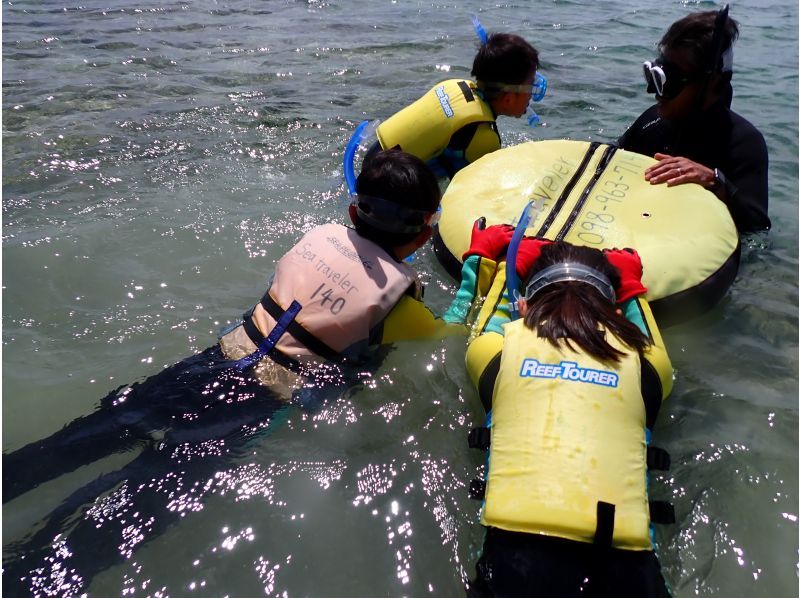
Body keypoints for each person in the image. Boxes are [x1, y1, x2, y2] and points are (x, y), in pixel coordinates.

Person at [2, 149, 458, 592]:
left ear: (353, 214)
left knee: (79, 440)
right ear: (422, 234)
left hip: (208, 365)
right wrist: (478, 269)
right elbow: (453, 334)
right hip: (252, 403)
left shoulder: (320, 236)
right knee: (133, 512)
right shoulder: (400, 303)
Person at [444, 224, 675, 597]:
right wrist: (630, 282)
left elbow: (489, 314)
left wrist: (503, 261)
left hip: (515, 562)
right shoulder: (649, 365)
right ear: (614, 307)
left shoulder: (494, 353)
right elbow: (639, 322)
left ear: (524, 305)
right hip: (626, 569)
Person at [617, 6, 770, 233]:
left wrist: (715, 182)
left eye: (670, 81)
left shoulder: (744, 143)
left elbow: (756, 227)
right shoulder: (652, 121)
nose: (655, 92)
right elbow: (610, 159)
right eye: (656, 75)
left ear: (714, 86)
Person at [369, 32, 542, 179]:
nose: (533, 94)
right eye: (532, 85)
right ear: (509, 98)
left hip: (372, 158)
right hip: (386, 189)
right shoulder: (484, 139)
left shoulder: (456, 85)